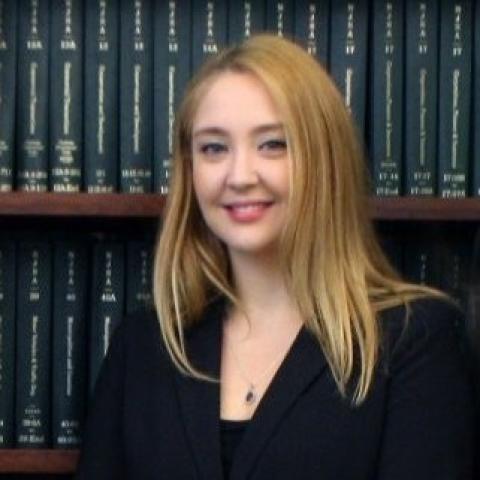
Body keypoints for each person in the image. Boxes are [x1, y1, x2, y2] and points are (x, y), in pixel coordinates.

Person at [75, 34, 476, 479]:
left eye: (273, 144)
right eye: (213, 148)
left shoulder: (414, 341)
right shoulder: (144, 347)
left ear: (324, 159)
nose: (240, 175)